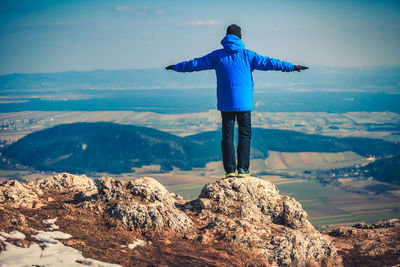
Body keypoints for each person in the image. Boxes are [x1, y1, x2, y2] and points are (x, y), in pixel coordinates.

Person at [166, 24, 308, 178]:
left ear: (226, 36)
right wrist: (292, 67)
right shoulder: (248, 55)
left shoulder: (217, 56)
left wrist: (177, 67)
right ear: (240, 37)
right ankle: (243, 169)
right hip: (244, 103)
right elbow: (270, 63)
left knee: (227, 137)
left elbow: (195, 64)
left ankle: (229, 170)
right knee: (244, 135)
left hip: (225, 103)